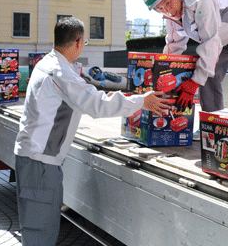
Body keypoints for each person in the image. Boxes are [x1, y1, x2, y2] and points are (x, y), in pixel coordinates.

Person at [13, 16, 169, 246]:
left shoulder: (48, 63)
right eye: (84, 43)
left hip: (34, 159)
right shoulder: (61, 74)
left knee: (37, 228)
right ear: (78, 42)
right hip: (41, 164)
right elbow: (97, 105)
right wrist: (141, 101)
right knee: (40, 233)